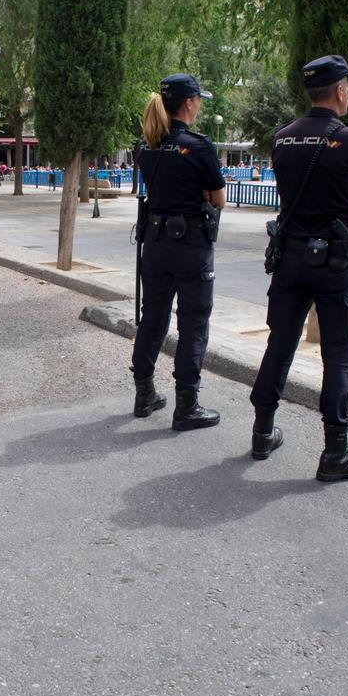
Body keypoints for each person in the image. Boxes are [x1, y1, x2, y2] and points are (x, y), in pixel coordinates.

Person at [248, 55, 348, 481]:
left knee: (280, 345)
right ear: (341, 90)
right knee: (340, 355)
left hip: (289, 258)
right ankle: (335, 453)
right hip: (334, 262)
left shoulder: (283, 138)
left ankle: (261, 433)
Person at [131, 73, 227, 431]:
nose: (200, 105)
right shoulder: (197, 146)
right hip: (190, 246)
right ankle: (187, 405)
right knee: (194, 322)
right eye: (199, 99)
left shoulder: (148, 146)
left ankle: (144, 395)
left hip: (155, 243)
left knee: (152, 318)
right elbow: (218, 199)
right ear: (189, 102)